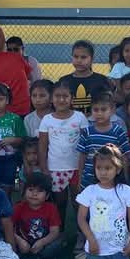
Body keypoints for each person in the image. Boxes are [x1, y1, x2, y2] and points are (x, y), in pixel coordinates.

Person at [76, 144, 130, 259]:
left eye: (108, 168)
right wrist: (91, 240)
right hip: (96, 248)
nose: (103, 172)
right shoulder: (90, 191)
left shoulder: (125, 191)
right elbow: (81, 219)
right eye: (99, 168)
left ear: (118, 169)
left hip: (119, 249)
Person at [38, 82, 89, 217]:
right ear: (51, 99)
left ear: (72, 99)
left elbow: (86, 143)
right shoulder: (47, 120)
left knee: (78, 202)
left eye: (65, 96)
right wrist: (44, 168)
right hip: (55, 168)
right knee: (59, 203)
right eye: (57, 96)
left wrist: (85, 167)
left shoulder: (79, 117)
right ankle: (59, 228)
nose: (61, 100)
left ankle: (81, 228)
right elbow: (42, 146)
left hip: (77, 167)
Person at [77, 91, 130, 188]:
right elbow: (82, 157)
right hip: (89, 181)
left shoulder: (118, 131)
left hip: (112, 181)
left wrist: (125, 179)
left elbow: (124, 157)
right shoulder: (87, 132)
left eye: (103, 110)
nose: (99, 113)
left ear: (112, 110)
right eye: (96, 110)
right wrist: (80, 178)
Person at [11, 171, 63, 259]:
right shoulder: (19, 207)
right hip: (23, 243)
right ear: (24, 191)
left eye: (39, 191)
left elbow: (54, 231)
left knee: (58, 243)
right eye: (30, 190)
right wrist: (19, 241)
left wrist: (42, 242)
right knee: (8, 243)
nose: (34, 194)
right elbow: (9, 228)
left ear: (47, 196)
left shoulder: (51, 208)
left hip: (43, 244)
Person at [59, 40, 111, 115]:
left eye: (83, 57)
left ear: (92, 59)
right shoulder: (64, 81)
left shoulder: (101, 80)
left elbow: (108, 103)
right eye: (76, 57)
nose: (79, 60)